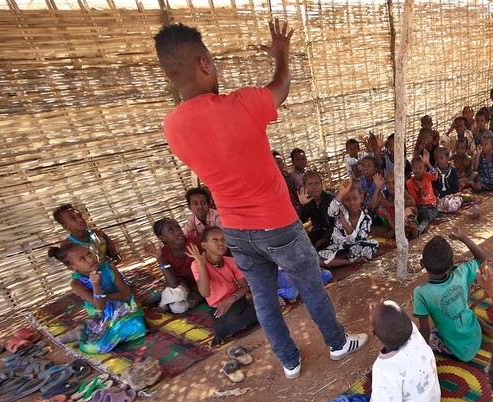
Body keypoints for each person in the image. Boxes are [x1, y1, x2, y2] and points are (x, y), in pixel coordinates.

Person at [154, 20, 366, 379]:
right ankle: (336, 343)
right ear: (204, 63)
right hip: (278, 223)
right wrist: (281, 53)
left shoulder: (172, 127)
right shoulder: (239, 104)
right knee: (310, 285)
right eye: (213, 62)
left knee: (265, 299)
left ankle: (289, 361)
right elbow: (280, 87)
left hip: (236, 230)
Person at [327, 300, 440, 402]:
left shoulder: (385, 369)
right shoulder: (413, 333)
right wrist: (379, 313)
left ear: (373, 334)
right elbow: (392, 319)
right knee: (388, 398)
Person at [414, 228, 493, 362]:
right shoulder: (461, 273)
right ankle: (487, 328)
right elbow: (481, 257)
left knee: (427, 337)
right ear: (452, 264)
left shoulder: (421, 293)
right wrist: (462, 237)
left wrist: (422, 357)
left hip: (460, 351)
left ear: (422, 264)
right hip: (474, 334)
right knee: (463, 309)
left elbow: (425, 330)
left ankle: (441, 348)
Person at [48, 242, 147, 354]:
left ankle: (85, 332)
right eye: (82, 259)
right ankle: (82, 333)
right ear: (72, 267)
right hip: (101, 317)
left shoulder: (109, 268)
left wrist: (100, 296)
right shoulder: (77, 284)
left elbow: (126, 295)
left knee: (139, 329)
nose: (90, 259)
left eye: (89, 254)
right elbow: (100, 306)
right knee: (94, 348)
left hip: (123, 311)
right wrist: (96, 285)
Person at [188, 226, 259, 344]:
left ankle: (254, 312)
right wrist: (201, 264)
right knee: (222, 328)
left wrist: (231, 299)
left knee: (228, 326)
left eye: (223, 240)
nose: (220, 243)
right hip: (217, 306)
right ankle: (257, 312)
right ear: (204, 245)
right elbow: (205, 293)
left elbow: (245, 287)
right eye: (215, 240)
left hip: (236, 299)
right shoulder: (197, 265)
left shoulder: (230, 262)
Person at [142, 218, 203, 309]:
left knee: (179, 307)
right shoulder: (164, 253)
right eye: (171, 230)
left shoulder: (193, 241)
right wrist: (159, 258)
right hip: (181, 283)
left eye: (178, 228)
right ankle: (164, 295)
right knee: (177, 293)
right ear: (162, 237)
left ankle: (165, 297)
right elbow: (174, 284)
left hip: (201, 282)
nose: (178, 232)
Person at [319, 180, 379, 268]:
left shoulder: (366, 219)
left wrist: (345, 224)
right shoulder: (341, 212)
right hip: (338, 246)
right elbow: (331, 211)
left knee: (373, 244)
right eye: (347, 199)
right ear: (343, 201)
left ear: (361, 198)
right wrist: (342, 193)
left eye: (355, 198)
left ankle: (342, 259)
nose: (351, 202)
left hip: (355, 246)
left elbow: (359, 239)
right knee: (318, 260)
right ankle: (351, 261)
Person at [53, 204, 121, 265]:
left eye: (80, 216)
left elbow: (116, 257)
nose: (80, 219)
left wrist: (106, 269)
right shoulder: (67, 245)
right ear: (65, 226)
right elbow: (75, 268)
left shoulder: (99, 234)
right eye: (73, 219)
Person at [297, 170, 335, 249]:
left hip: (334, 232)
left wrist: (324, 238)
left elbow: (337, 223)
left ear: (321, 184)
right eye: (310, 184)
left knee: (320, 247)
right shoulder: (308, 202)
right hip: (318, 231)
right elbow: (300, 221)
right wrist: (303, 205)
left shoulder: (330, 199)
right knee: (303, 245)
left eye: (317, 183)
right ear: (305, 187)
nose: (314, 187)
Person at [407, 151, 439, 230]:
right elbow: (417, 200)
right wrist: (420, 188)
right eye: (414, 167)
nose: (417, 170)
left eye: (420, 168)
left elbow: (435, 176)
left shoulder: (427, 176)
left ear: (425, 169)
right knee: (424, 213)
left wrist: (428, 163)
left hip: (431, 205)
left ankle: (420, 226)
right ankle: (419, 227)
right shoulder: (409, 183)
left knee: (433, 212)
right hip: (420, 206)